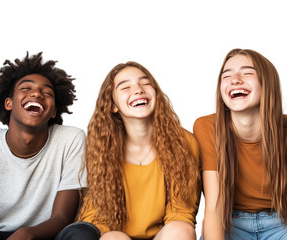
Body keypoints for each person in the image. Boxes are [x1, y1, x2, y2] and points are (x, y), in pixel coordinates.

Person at [56, 61, 201, 240]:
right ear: (113, 105)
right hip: (117, 237)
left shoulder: (182, 142)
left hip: (163, 236)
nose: (138, 89)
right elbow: (97, 219)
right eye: (125, 87)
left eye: (145, 83)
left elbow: (181, 212)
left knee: (181, 229)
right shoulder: (100, 149)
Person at [0, 52, 86, 240]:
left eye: (47, 92)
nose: (37, 94)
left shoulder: (71, 139)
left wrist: (27, 234)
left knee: (80, 233)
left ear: (53, 111)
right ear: (8, 103)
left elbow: (62, 217)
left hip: (44, 235)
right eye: (26, 89)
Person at [193, 48, 287, 239]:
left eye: (247, 72)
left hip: (283, 222)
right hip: (231, 224)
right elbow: (215, 209)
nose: (235, 79)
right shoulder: (207, 127)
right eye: (227, 76)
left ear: (268, 84)